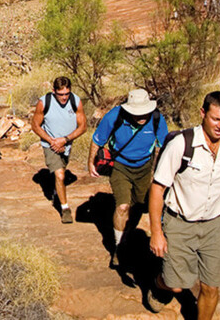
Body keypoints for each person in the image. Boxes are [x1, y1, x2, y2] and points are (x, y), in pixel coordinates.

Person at [145, 91, 220, 319]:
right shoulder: (182, 144)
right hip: (180, 224)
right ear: (203, 114)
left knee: (210, 286)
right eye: (215, 119)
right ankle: (159, 283)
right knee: (176, 285)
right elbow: (157, 188)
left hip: (214, 226)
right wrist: (157, 233)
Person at [87, 89, 168, 267]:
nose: (141, 117)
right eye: (137, 113)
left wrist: (163, 172)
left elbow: (164, 147)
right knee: (123, 206)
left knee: (138, 206)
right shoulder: (114, 117)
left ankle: (126, 236)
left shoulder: (156, 119)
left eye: (144, 112)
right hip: (120, 166)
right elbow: (98, 140)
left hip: (145, 167)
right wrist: (91, 162)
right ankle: (119, 249)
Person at [31, 76, 86, 223]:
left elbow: (83, 126)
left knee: (62, 169)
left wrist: (65, 140)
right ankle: (65, 208)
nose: (64, 97)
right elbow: (35, 125)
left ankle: (57, 190)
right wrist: (52, 141)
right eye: (60, 94)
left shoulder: (76, 101)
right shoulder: (44, 102)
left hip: (66, 144)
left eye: (67, 94)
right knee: (60, 175)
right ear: (54, 91)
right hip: (51, 144)